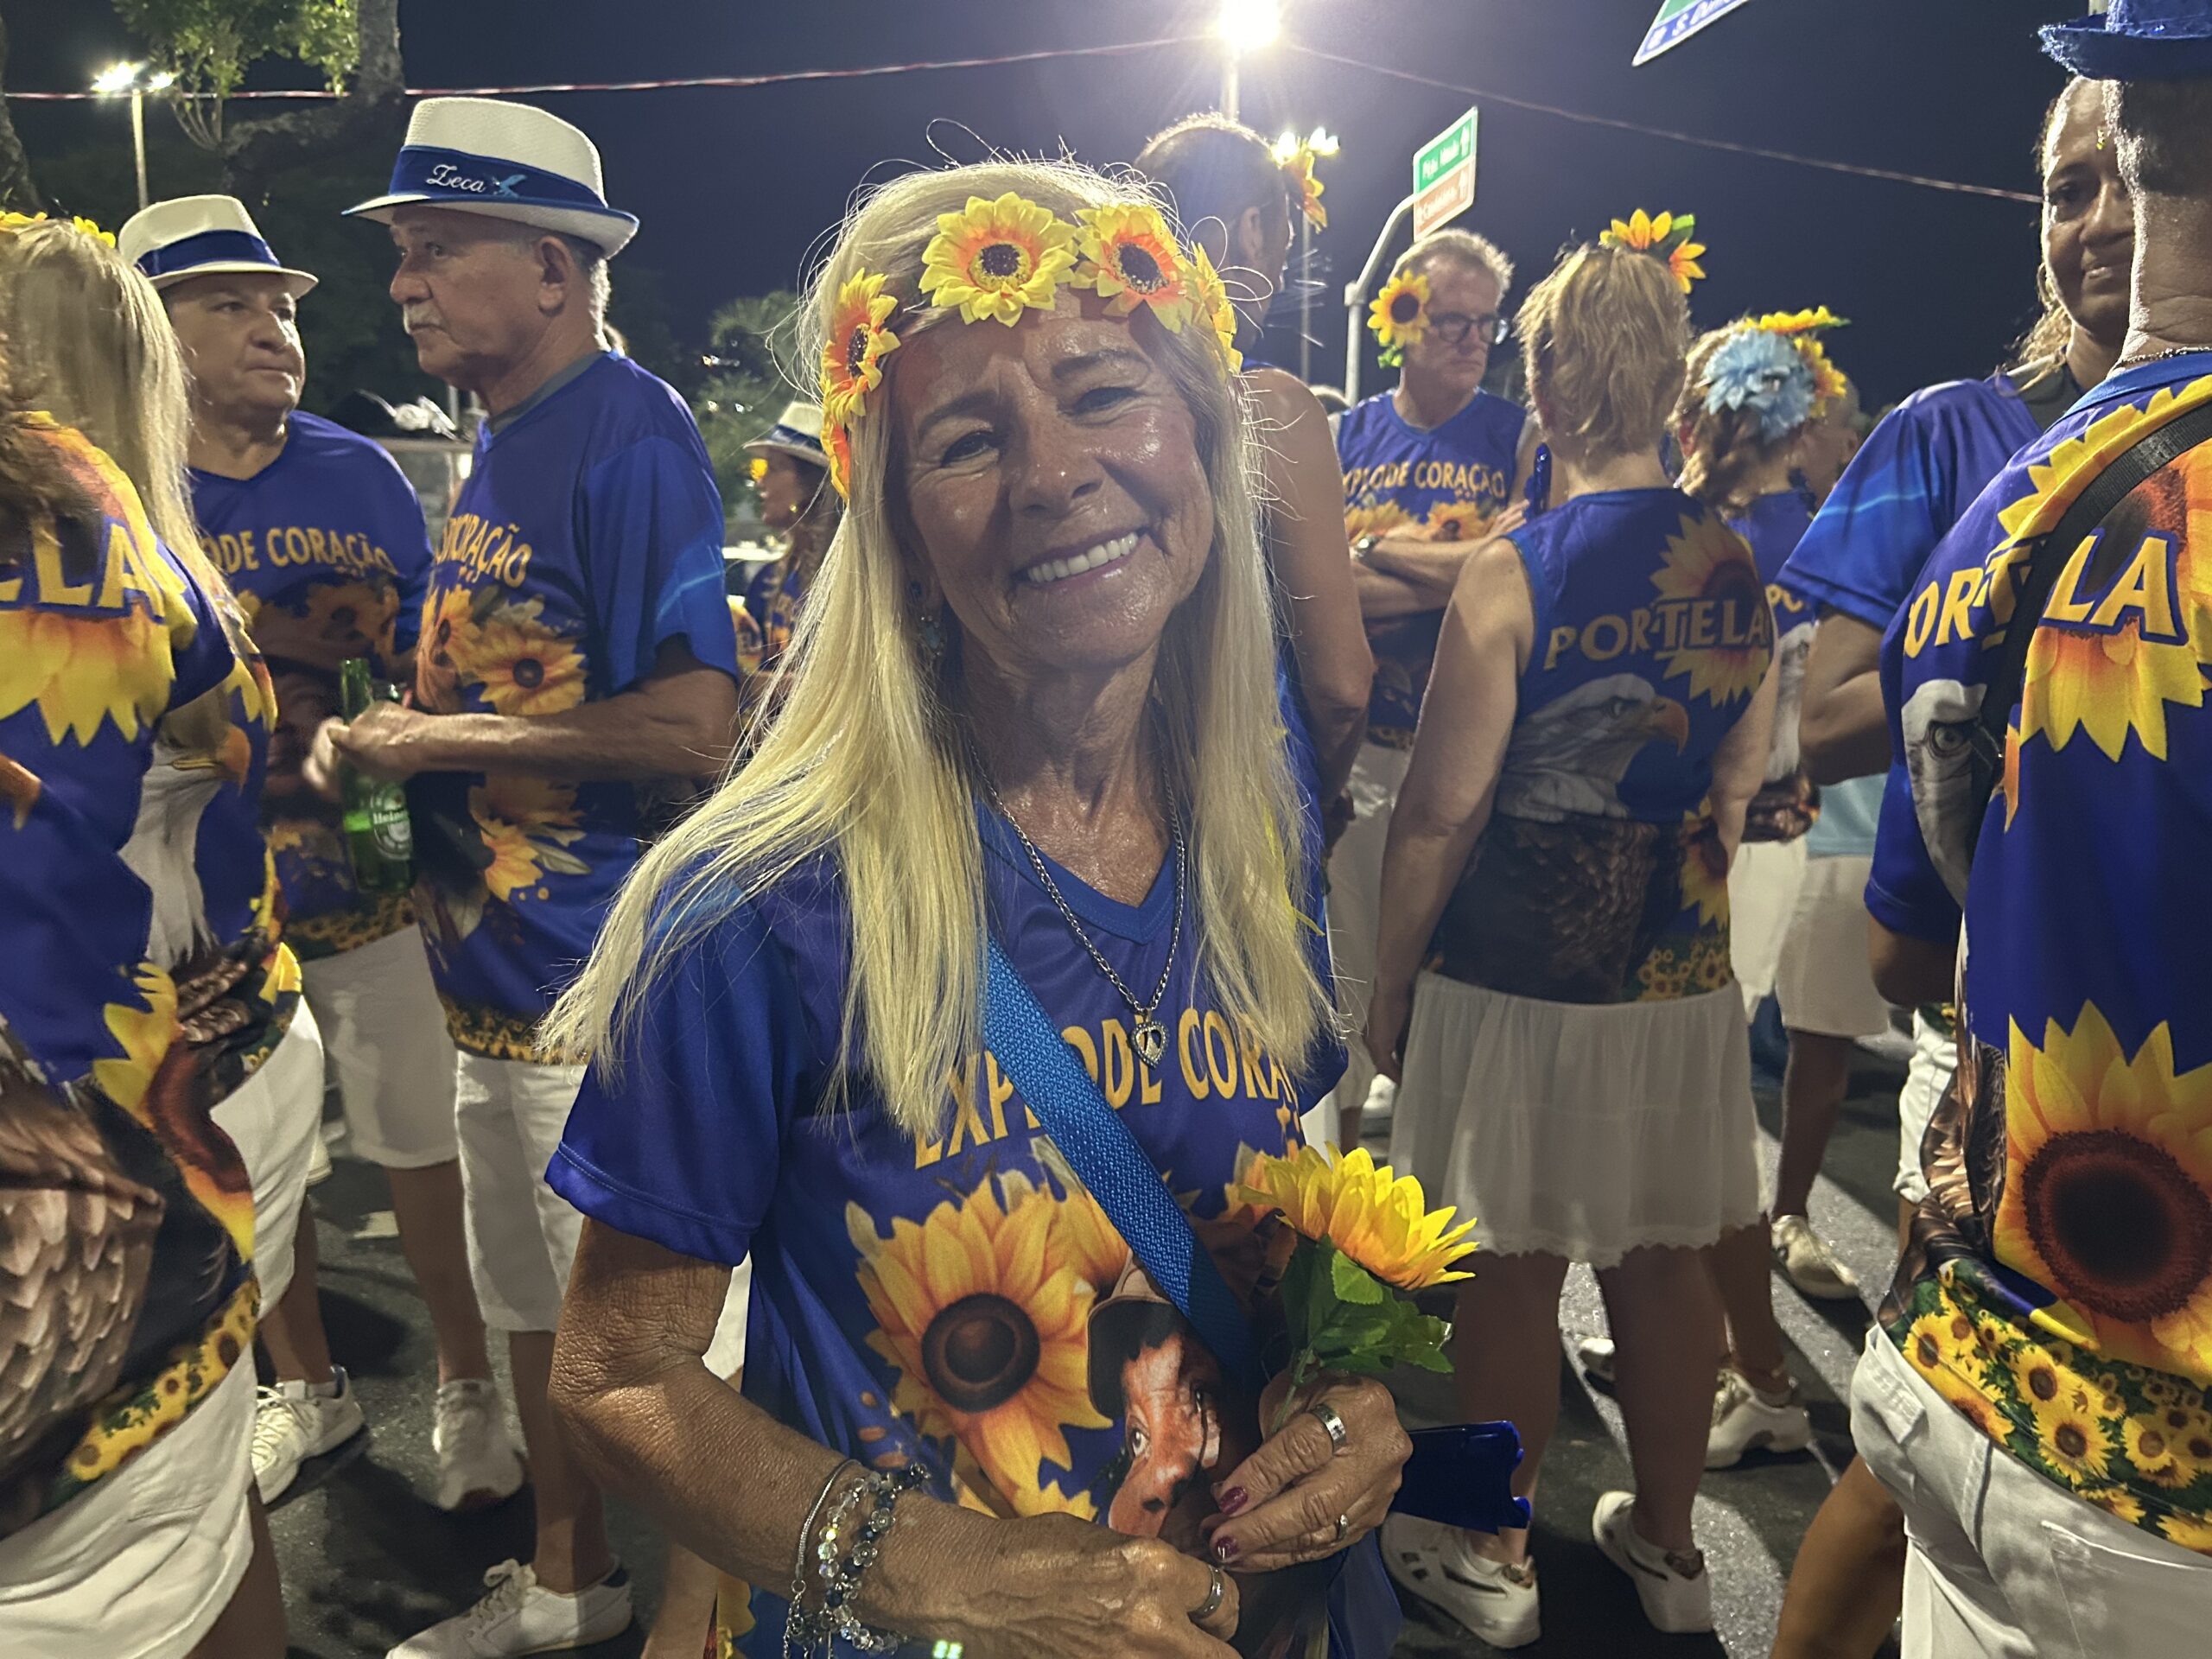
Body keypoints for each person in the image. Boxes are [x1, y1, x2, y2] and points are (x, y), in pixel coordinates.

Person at [538, 158, 1410, 1659]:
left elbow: (1276, 1212)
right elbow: (617, 1377)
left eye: (1103, 392)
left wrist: (1346, 1395)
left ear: (1204, 446)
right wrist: (953, 1574)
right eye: (965, 439)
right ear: (898, 533)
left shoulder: (1257, 827)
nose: (1054, 475)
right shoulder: (754, 906)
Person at [324, 97, 741, 1657]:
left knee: (659, 1354)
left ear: (556, 268)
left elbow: (697, 723)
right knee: (527, 1311)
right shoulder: (498, 438)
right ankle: (569, 1593)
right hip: (485, 989)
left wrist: (430, 740)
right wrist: (400, 740)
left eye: (439, 249)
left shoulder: (632, 434)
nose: (404, 284)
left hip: (593, 1000)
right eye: (404, 253)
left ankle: (705, 1629)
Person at [1849, 10, 2212, 1651]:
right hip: (2164, 1497)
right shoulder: (1970, 445)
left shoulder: (2011, 508)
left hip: (1983, 1389)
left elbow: (1908, 948)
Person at [1370, 226, 1777, 1646]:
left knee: (1509, 1266)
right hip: (1677, 980)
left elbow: (1441, 811)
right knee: (1663, 1260)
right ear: (1673, 387)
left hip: (1514, 979)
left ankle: (1492, 1556)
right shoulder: (1734, 567)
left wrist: (1388, 979)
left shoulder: (1512, 569)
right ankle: (1670, 1549)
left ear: (1542, 389)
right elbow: (1741, 786)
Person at [1767, 78, 2132, 1659]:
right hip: (1984, 1034)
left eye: (2128, 178)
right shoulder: (1957, 435)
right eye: (2065, 192)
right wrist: (2015, 646)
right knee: (1928, 1445)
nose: (2098, 220)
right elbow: (1823, 712)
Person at [118, 192, 526, 1514]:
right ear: (151, 333)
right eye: (228, 304)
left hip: (370, 877)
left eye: (280, 305)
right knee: (247, 1161)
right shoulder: (121, 493)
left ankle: (465, 1380)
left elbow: (431, 664)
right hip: (206, 911)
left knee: (420, 1139)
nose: (273, 329)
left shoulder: (360, 473)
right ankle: (308, 1386)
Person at [0, 217, 302, 1658]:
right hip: (206, 1049)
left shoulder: (64, 511)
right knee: (201, 1496)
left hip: (132, 1098)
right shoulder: (138, 531)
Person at [1331, 226, 1527, 1149]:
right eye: (1452, 321)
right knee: (1345, 974)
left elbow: (1520, 577)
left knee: (1444, 988)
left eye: (1487, 324)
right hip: (1362, 751)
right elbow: (1321, 590)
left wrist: (1376, 552)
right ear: (1402, 318)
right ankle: (1337, 1188)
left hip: (1470, 759)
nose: (1473, 341)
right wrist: (1465, 566)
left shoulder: (1517, 437)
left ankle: (1425, 1183)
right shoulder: (1345, 438)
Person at [1133, 114, 1372, 810]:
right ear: (1252, 229)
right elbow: (1343, 688)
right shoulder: (1270, 410)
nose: (1279, 272)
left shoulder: (1081, 413)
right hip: (1245, 797)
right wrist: (1319, 802)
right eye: (1284, 247)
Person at [732, 398, 839, 722]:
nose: (760, 481)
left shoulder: (846, 578)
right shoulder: (768, 581)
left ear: (813, 484)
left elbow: (843, 692)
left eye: (774, 468)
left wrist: (742, 685)